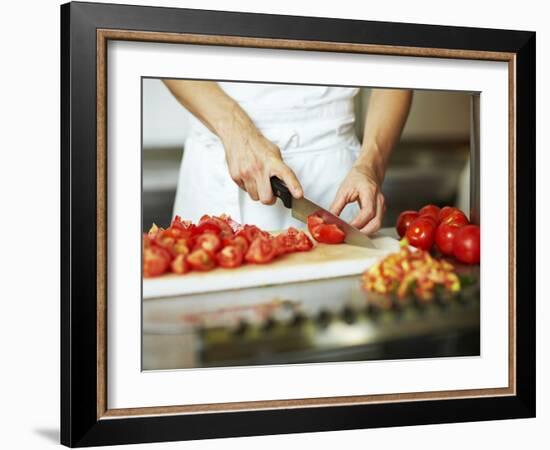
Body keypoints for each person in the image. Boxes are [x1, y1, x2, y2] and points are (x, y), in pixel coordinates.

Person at [164, 80, 412, 235]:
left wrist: (370, 165)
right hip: (217, 168)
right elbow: (165, 36)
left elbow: (402, 59)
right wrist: (236, 131)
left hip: (336, 181)